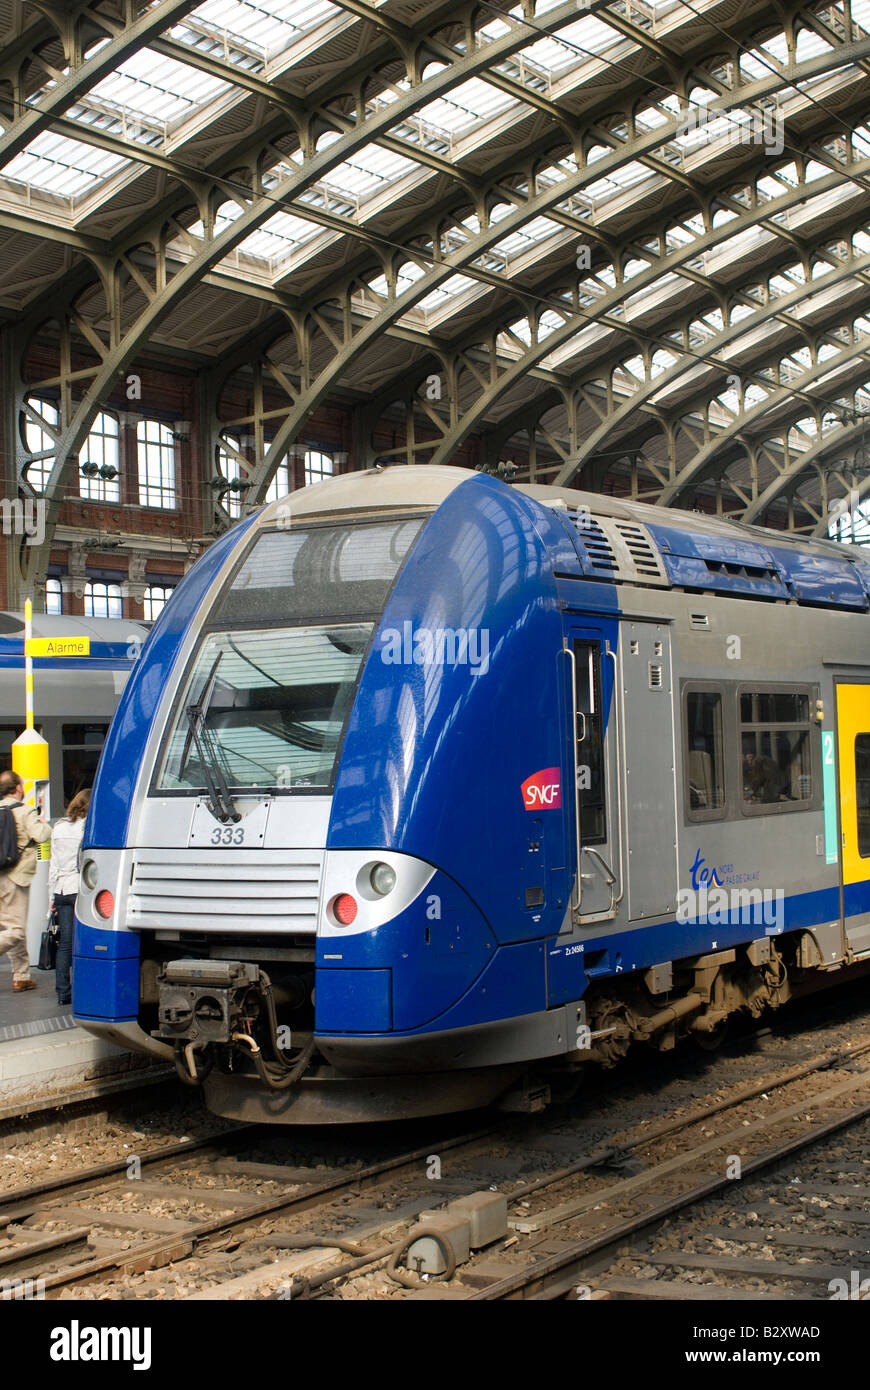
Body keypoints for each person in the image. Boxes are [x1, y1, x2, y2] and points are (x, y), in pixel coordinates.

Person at [0, 769, 51, 991]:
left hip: (1, 874)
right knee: (16, 930)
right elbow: (41, 836)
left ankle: (21, 976)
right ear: (18, 788)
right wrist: (43, 822)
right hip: (16, 877)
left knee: (12, 925)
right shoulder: (25, 811)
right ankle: (21, 975)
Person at [49, 787, 90, 1007]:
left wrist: (51, 898)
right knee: (84, 943)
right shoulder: (87, 827)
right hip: (80, 890)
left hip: (61, 890)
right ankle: (85, 991)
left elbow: (53, 866)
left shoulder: (59, 827)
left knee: (65, 944)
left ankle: (63, 993)